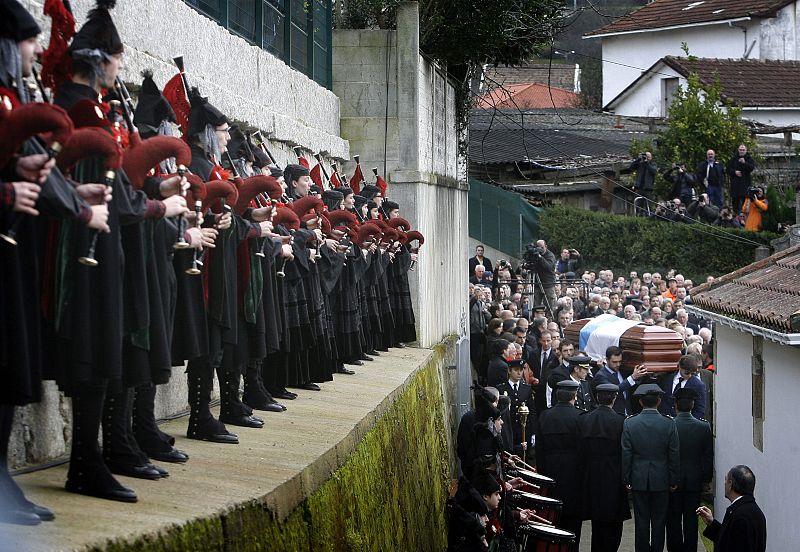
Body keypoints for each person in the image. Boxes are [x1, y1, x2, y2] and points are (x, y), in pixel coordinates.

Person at [622, 384, 680, 552]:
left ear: (640, 402)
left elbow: (626, 454)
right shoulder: (669, 423)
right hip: (661, 478)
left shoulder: (630, 423)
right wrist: (674, 479)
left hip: (638, 477)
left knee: (641, 519)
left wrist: (626, 478)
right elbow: (673, 454)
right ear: (659, 401)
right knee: (659, 520)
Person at [580, 383, 631, 552]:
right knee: (614, 522)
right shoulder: (620, 421)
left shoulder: (585, 418)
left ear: (597, 397)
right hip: (614, 473)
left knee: (597, 521)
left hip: (592, 472)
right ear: (614, 398)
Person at [536, 380, 584, 550]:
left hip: (551, 471)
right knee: (573, 521)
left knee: (553, 519)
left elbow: (539, 449)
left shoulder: (545, 416)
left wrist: (542, 474)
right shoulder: (580, 416)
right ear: (574, 396)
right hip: (574, 473)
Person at [667, 388, 712, 552]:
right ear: (693, 405)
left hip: (673, 480)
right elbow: (708, 456)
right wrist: (706, 479)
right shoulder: (703, 426)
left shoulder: (669, 425)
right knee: (691, 520)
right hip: (694, 479)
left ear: (676, 404)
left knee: (673, 519)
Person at [697, 465, 767, 552]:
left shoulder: (741, 516)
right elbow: (729, 540)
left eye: (726, 480)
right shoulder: (753, 511)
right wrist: (712, 522)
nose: (724, 483)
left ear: (730, 484)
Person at [590, 346, 647, 416]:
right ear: (607, 360)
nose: (618, 364)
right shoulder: (601, 376)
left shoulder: (623, 371)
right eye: (614, 362)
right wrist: (632, 377)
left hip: (628, 413)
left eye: (620, 361)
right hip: (613, 415)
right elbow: (615, 390)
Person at [495, 362, 535, 459]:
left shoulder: (526, 388)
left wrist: (533, 432)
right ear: (509, 371)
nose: (519, 373)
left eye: (521, 370)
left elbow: (532, 411)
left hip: (523, 430)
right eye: (516, 370)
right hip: (509, 429)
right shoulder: (501, 388)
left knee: (524, 457)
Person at [658, 355, 706, 419]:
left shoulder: (698, 385)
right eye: (686, 373)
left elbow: (700, 410)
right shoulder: (666, 378)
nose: (689, 376)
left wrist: (688, 422)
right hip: (665, 421)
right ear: (680, 367)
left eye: (692, 373)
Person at [726, 145, 755, 213]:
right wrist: (735, 172)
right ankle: (736, 214)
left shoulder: (749, 158)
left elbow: (751, 168)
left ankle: (745, 216)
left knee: (745, 202)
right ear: (738, 150)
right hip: (735, 184)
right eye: (740, 150)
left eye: (743, 150)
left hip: (745, 184)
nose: (742, 151)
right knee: (735, 202)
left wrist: (744, 163)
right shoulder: (733, 159)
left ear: (746, 151)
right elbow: (728, 169)